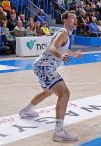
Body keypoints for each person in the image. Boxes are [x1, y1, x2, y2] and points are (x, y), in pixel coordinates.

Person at [19, 11, 82, 142]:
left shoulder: (64, 34)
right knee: (64, 93)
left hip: (40, 65)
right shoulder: (63, 33)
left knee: (48, 91)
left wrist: (72, 53)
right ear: (65, 20)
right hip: (45, 66)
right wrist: (61, 56)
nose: (74, 21)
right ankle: (59, 132)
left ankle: (26, 111)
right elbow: (53, 47)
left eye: (75, 18)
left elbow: (61, 48)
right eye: (71, 18)